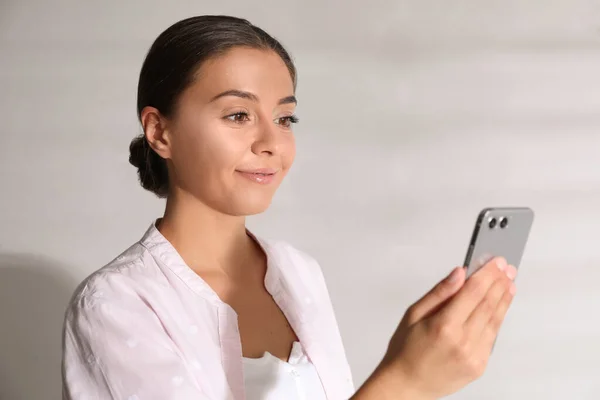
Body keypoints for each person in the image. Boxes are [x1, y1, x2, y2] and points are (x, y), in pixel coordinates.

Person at [61, 15, 518, 400]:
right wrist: (407, 382)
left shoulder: (299, 272)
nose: (271, 143)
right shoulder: (117, 305)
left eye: (284, 118)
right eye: (238, 115)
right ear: (160, 132)